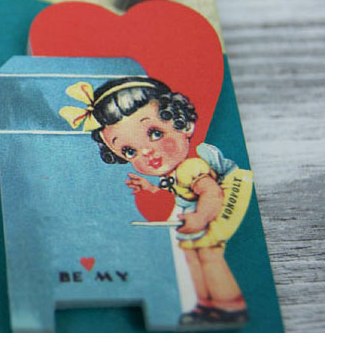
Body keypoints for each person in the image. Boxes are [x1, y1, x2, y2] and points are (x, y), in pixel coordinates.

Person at [59, 77, 253, 325]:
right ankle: (205, 305)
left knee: (208, 252)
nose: (147, 152)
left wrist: (200, 218)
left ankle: (229, 305)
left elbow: (212, 193)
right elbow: (173, 187)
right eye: (130, 151)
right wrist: (149, 187)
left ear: (184, 125)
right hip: (197, 212)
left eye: (155, 133)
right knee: (190, 253)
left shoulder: (191, 167)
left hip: (224, 202)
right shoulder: (176, 173)